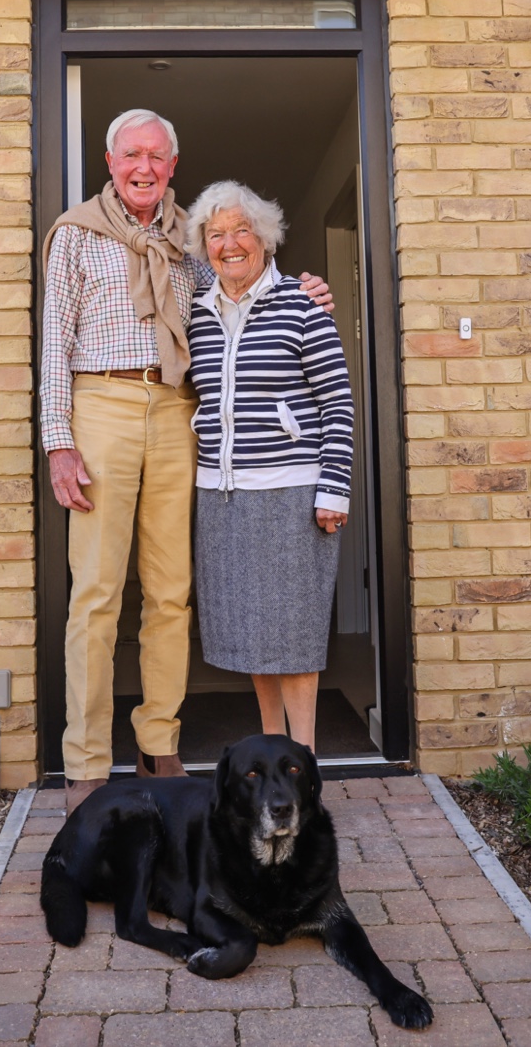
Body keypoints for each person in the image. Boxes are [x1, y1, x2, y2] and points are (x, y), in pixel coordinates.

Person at [40, 111, 328, 810]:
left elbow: (239, 292)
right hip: (100, 405)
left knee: (171, 591)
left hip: (175, 409)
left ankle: (158, 745)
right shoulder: (77, 234)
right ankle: (84, 761)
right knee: (97, 593)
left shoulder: (190, 245)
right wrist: (58, 440)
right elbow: (55, 339)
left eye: (156, 156)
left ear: (173, 165)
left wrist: (301, 291)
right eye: (131, 155)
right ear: (110, 162)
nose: (144, 167)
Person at [183, 181, 354, 751]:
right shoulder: (197, 311)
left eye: (242, 231)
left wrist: (334, 489)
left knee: (295, 635)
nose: (230, 244)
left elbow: (337, 401)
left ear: (266, 238)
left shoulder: (302, 303)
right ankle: (273, 751)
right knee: (254, 635)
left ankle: (303, 761)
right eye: (216, 234)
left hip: (291, 495)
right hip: (222, 495)